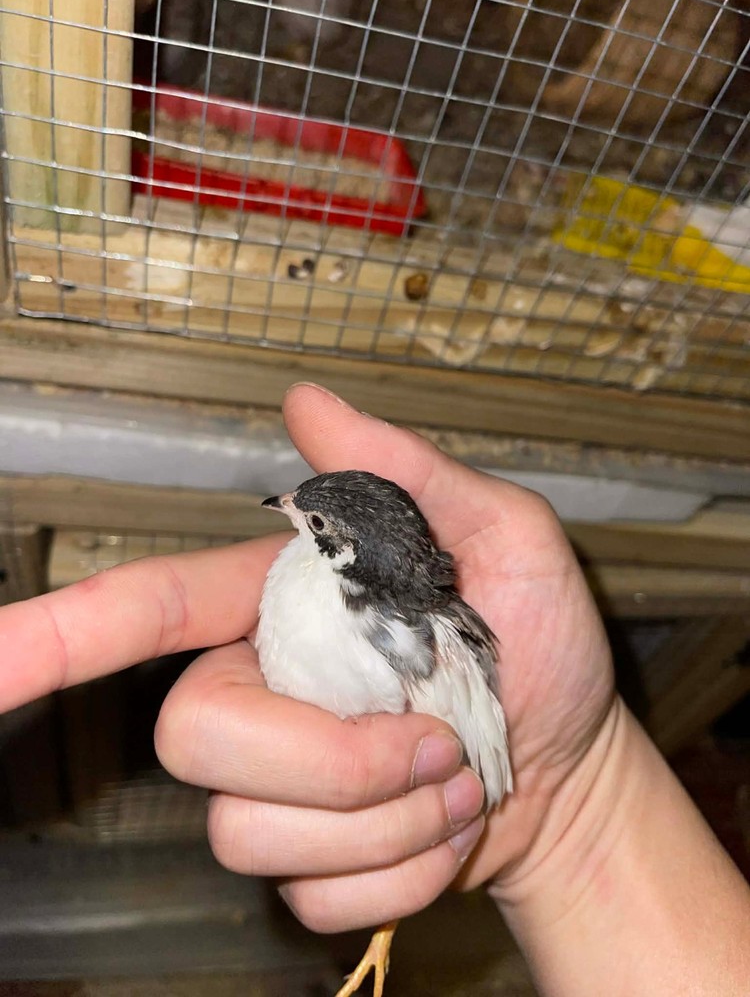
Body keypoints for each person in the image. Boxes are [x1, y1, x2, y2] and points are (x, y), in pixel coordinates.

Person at [1, 382, 748, 995]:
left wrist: (565, 807)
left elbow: (473, 755)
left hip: (452, 773)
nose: (291, 511)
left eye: (309, 515)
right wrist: (576, 819)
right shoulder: (305, 582)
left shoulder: (420, 642)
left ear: (345, 549)